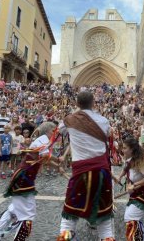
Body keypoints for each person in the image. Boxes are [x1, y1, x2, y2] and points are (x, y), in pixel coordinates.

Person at [0, 122, 58, 241]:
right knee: (28, 215)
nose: (55, 134)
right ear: (48, 131)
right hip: (25, 177)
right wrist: (58, 161)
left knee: (14, 209)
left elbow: (42, 157)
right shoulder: (43, 139)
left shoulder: (43, 140)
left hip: (25, 176)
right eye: (53, 131)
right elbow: (45, 156)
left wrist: (57, 164)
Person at [57, 91, 114, 241]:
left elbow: (60, 130)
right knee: (105, 222)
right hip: (102, 173)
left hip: (80, 174)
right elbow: (108, 135)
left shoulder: (69, 120)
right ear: (93, 103)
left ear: (77, 104)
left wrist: (77, 112)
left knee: (68, 219)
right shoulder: (103, 120)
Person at [117, 138, 144, 240]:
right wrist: (119, 177)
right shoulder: (129, 160)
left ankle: (140, 237)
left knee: (129, 217)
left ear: (132, 150)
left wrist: (134, 185)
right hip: (136, 194)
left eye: (125, 148)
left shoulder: (139, 162)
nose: (122, 150)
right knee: (130, 217)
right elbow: (126, 168)